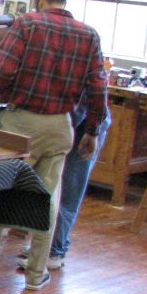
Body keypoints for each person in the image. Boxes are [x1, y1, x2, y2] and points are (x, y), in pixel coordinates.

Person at [0, 0, 107, 290]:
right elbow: (97, 88)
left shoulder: (26, 24)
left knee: (1, 192)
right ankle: (36, 274)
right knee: (47, 199)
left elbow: (3, 70)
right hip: (59, 125)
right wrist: (92, 130)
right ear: (64, 1)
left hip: (20, 124)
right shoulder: (89, 34)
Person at [17, 98, 111, 270]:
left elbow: (82, 106)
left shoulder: (86, 72)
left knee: (68, 190)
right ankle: (42, 247)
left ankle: (54, 251)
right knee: (49, 186)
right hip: (65, 123)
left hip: (87, 128)